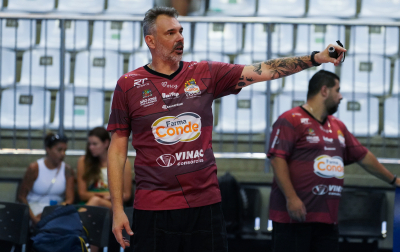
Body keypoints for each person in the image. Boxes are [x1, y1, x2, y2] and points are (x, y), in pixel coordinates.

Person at [106, 6, 346, 251]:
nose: (180, 38)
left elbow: (265, 69)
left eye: (181, 31)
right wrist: (117, 209)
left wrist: (315, 58)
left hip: (205, 205)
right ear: (151, 40)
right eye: (170, 33)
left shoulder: (205, 73)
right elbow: (116, 152)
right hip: (154, 207)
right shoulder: (129, 85)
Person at [267, 70, 400, 252]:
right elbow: (277, 159)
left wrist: (394, 180)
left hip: (328, 220)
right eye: (337, 90)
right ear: (324, 91)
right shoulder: (290, 119)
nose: (341, 96)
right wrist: (292, 198)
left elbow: (363, 156)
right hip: (294, 219)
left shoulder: (338, 126)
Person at [18, 133, 74, 226]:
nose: (63, 154)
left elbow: (69, 199)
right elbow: (22, 197)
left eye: (65, 150)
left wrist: (56, 212)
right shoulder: (34, 168)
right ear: (48, 149)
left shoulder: (67, 170)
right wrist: (34, 218)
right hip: (34, 209)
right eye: (59, 150)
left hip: (56, 210)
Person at [77, 126, 132, 208]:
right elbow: (82, 194)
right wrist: (107, 195)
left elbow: (126, 195)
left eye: (95, 144)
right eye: (89, 144)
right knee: (95, 201)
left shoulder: (122, 162)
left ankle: (77, 220)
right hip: (89, 203)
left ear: (106, 143)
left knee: (96, 200)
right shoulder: (83, 161)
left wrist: (108, 197)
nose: (91, 147)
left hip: (113, 205)